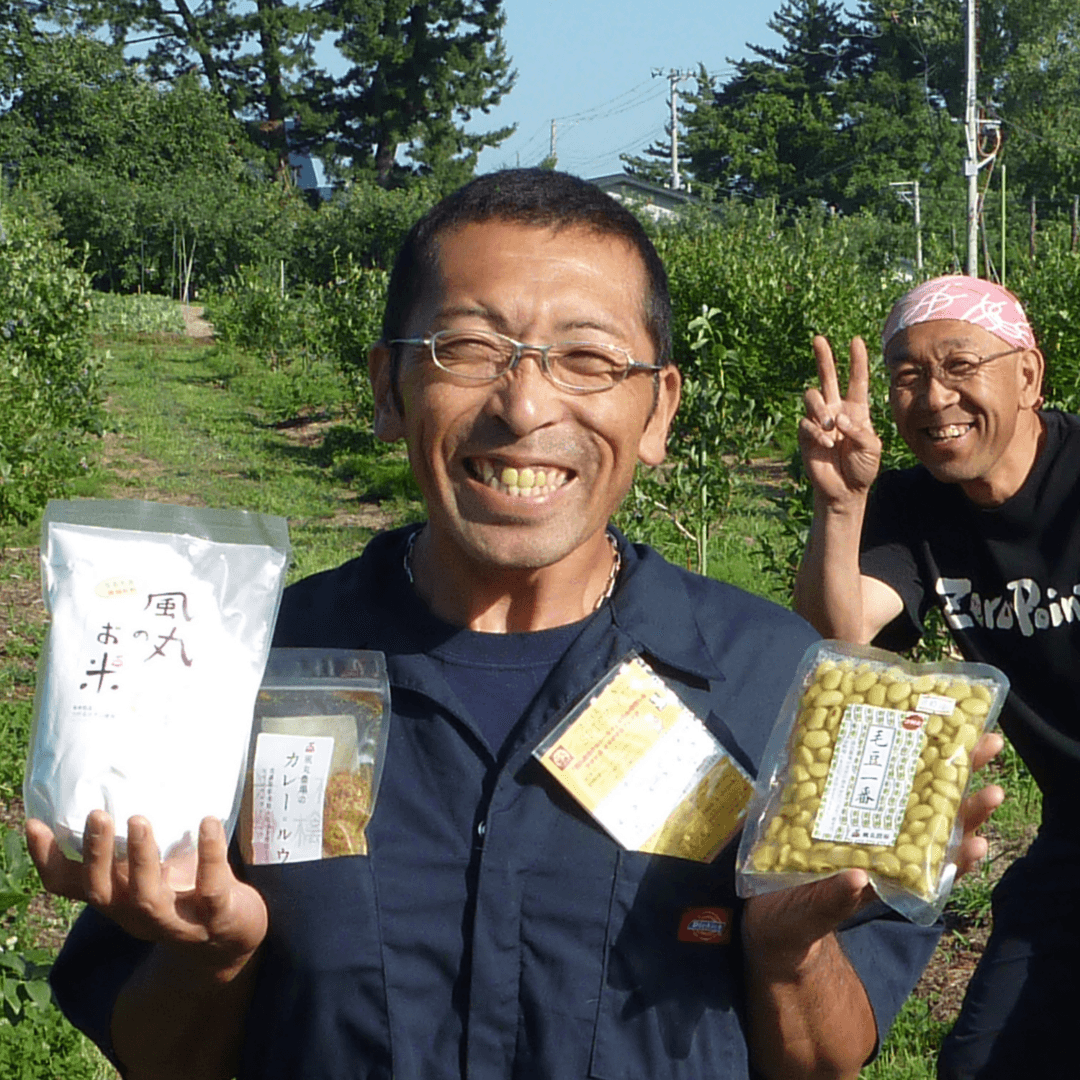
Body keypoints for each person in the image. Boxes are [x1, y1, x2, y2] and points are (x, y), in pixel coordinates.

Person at [29, 174, 999, 1080]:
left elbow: (824, 1059)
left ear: (658, 412)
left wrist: (788, 955)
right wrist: (209, 957)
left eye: (588, 358)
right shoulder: (239, 669)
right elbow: (157, 1054)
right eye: (468, 349)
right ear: (388, 388)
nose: (526, 405)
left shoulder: (774, 683)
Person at [795, 274, 1077, 1080]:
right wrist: (840, 507)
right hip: (1072, 831)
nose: (934, 396)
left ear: (1028, 375)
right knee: (985, 1063)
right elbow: (840, 637)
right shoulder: (912, 507)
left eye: (959, 365)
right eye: (909, 375)